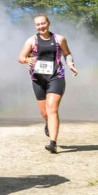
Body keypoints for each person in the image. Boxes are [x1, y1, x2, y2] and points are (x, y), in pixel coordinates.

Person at [17, 14, 78, 153]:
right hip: (38, 79)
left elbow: (67, 53)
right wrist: (27, 60)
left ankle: (53, 142)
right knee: (44, 113)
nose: (41, 26)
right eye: (38, 25)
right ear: (35, 26)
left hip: (56, 76)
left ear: (48, 23)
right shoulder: (31, 40)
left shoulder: (59, 39)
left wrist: (71, 64)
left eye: (43, 23)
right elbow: (21, 57)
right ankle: (47, 123)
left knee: (52, 109)